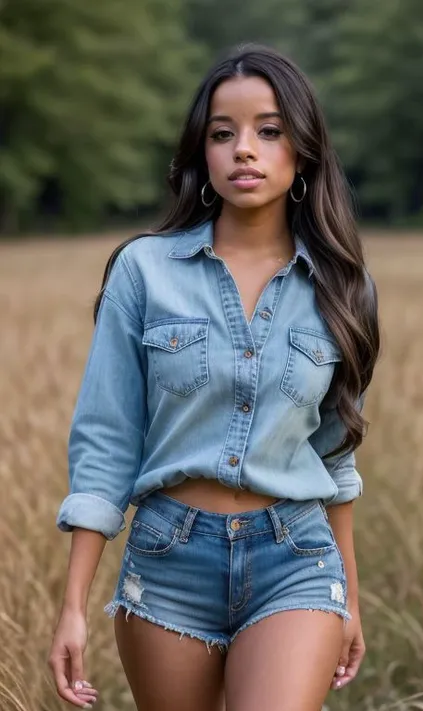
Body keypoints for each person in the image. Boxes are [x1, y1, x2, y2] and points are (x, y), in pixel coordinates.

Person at [48, 43, 380, 711]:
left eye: (268, 130)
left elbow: (335, 454)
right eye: (222, 134)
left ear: (304, 150)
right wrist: (73, 607)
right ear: (203, 154)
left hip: (296, 557)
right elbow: (108, 439)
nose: (244, 150)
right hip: (168, 560)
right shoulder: (144, 271)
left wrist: (349, 594)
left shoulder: (345, 288)